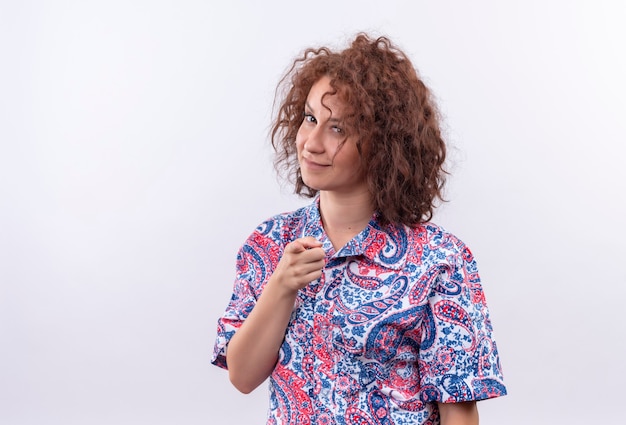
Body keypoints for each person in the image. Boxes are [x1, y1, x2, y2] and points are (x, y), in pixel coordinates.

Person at [211, 33, 507, 425]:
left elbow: (459, 409)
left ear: (383, 145)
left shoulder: (440, 260)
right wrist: (281, 286)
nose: (311, 143)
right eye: (310, 118)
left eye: (337, 129)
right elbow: (242, 376)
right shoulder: (270, 243)